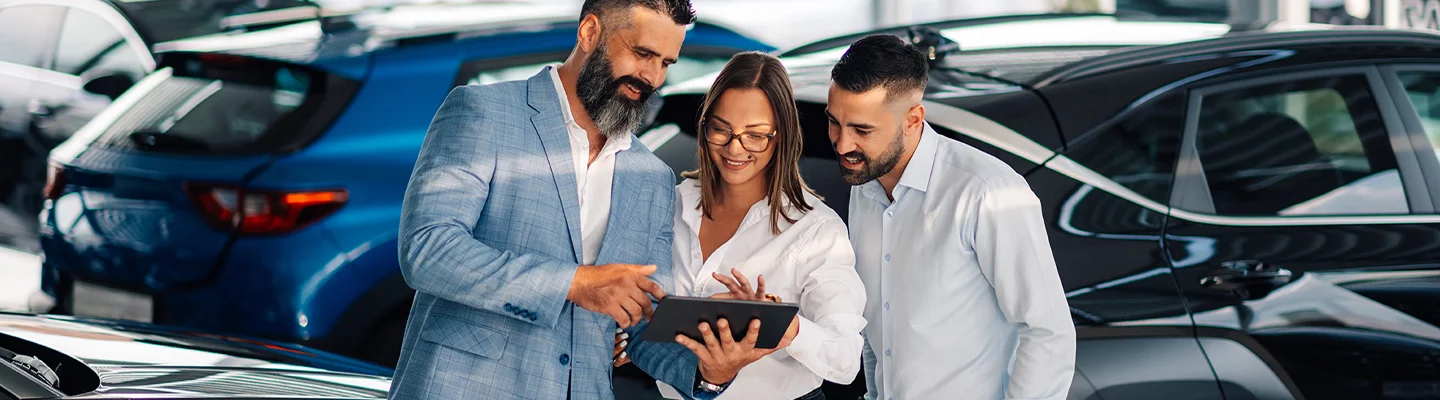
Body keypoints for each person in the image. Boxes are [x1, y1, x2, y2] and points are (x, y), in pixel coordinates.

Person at [387, 1, 779, 398]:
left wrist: (712, 363)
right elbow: (428, 250)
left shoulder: (653, 178)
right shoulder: (483, 112)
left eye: (666, 63)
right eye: (642, 54)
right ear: (590, 33)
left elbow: (641, 326)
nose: (651, 76)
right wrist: (575, 283)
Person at [825, 35, 1077, 400]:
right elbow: (878, 329)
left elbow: (1047, 332)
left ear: (913, 120)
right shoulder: (864, 185)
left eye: (862, 130)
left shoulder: (988, 191)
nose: (843, 144)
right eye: (835, 122)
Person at [613, 52, 866, 400]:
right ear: (705, 127)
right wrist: (620, 334)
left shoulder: (817, 231)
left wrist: (783, 325)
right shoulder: (667, 205)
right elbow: (632, 306)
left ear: (780, 137)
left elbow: (845, 359)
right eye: (722, 129)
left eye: (755, 135)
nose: (735, 148)